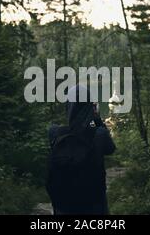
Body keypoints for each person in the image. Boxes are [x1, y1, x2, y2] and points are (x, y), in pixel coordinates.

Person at [46, 85, 116, 215]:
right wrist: (96, 119)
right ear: (90, 107)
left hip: (64, 204)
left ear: (69, 106)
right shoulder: (99, 134)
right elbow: (110, 149)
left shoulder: (54, 132)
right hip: (94, 204)